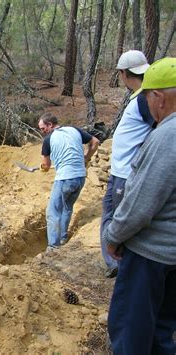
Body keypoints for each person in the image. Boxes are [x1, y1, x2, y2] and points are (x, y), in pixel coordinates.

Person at [103, 57, 176, 354]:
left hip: (151, 254)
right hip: (170, 254)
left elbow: (141, 204)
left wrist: (113, 236)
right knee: (162, 329)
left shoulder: (166, 137)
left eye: (147, 97)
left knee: (130, 332)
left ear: (158, 97)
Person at [100, 50, 155, 278]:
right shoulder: (142, 96)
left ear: (123, 74)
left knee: (119, 219)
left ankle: (122, 266)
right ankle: (115, 263)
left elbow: (158, 130)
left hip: (126, 173)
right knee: (110, 215)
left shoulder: (145, 98)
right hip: (120, 171)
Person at [39, 113, 100, 250]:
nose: (42, 132)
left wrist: (43, 168)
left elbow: (46, 166)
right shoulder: (74, 130)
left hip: (65, 178)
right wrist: (86, 158)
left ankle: (53, 247)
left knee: (53, 212)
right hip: (80, 177)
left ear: (50, 125)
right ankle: (63, 237)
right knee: (67, 208)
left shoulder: (48, 140)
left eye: (43, 128)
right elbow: (95, 142)